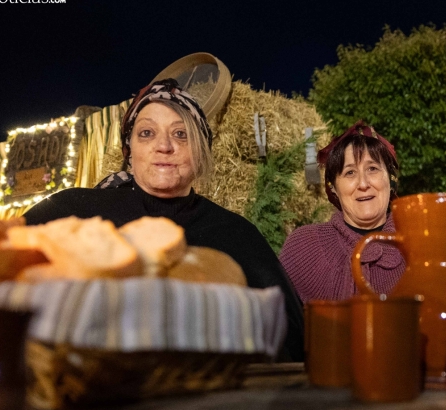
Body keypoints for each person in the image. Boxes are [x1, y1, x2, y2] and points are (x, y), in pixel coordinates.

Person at [23, 79, 304, 361]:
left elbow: (289, 332)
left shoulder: (236, 234)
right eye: (146, 133)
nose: (164, 146)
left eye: (181, 134)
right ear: (129, 150)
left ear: (201, 152)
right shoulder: (72, 211)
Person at [279, 121, 405, 303]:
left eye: (372, 169)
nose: (363, 184)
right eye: (350, 173)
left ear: (390, 179)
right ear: (334, 189)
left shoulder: (417, 247)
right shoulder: (304, 247)